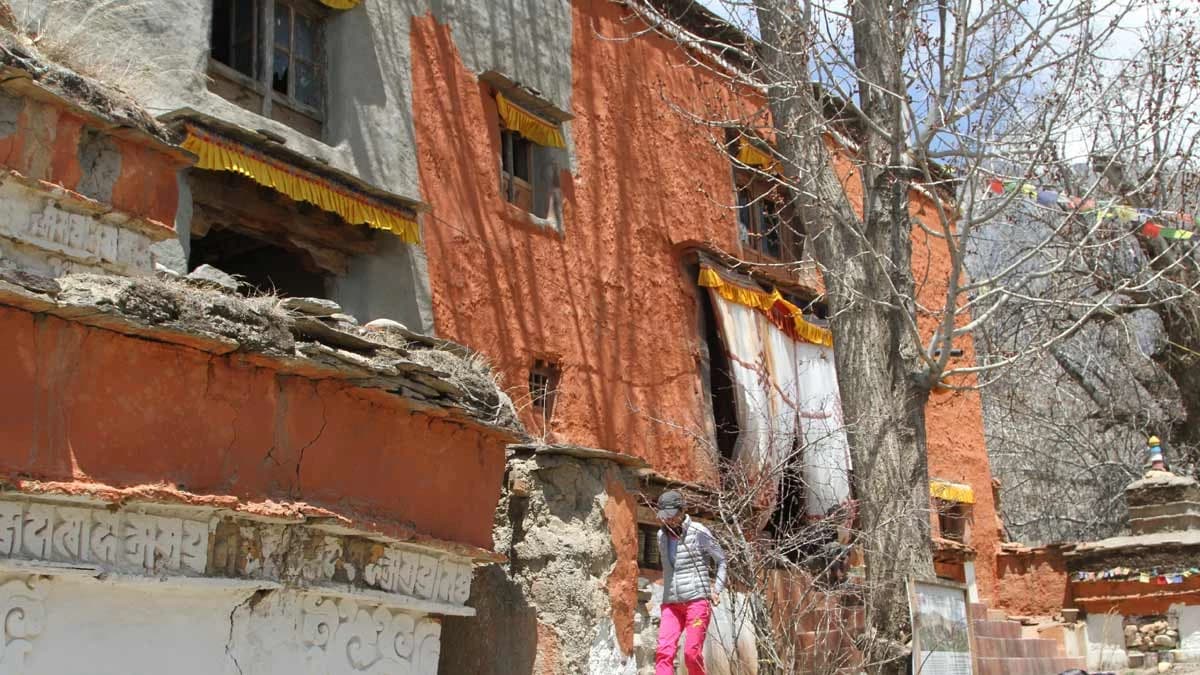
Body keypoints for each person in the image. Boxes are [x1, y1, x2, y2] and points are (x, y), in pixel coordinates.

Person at [655, 490, 727, 675]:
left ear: (681, 511)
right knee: (664, 652)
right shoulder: (660, 536)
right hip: (671, 603)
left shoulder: (698, 532)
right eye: (664, 516)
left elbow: (721, 560)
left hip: (696, 602)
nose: (668, 520)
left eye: (671, 515)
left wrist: (716, 589)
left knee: (691, 654)